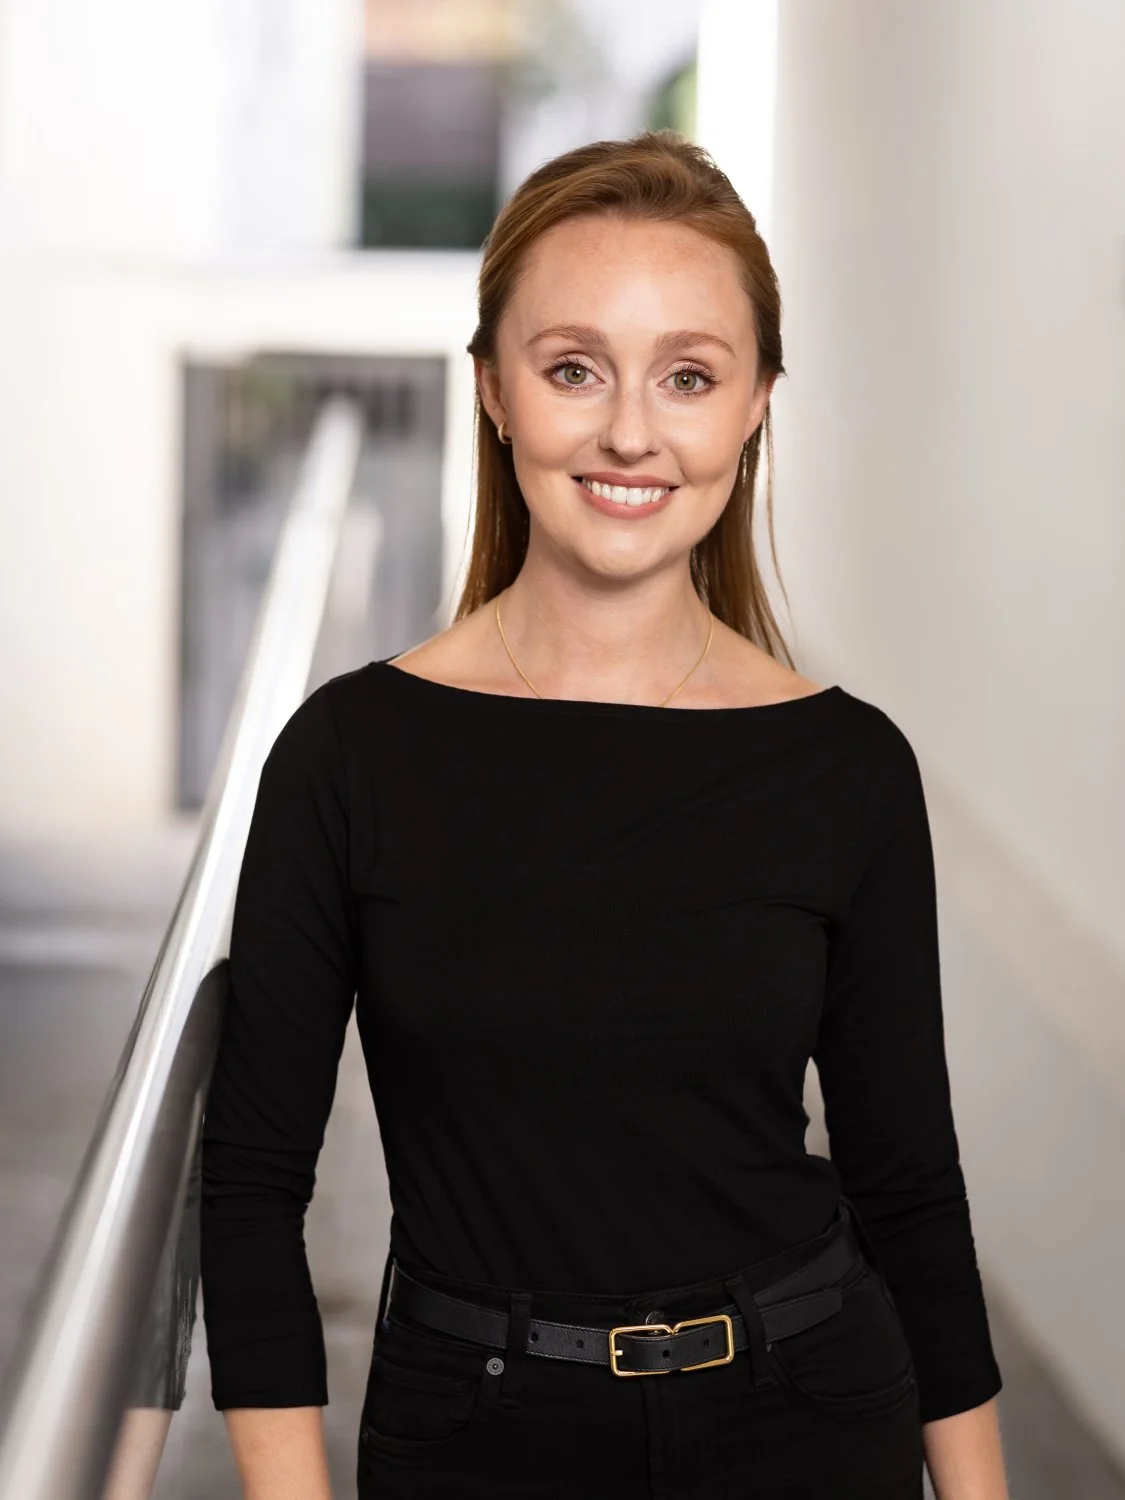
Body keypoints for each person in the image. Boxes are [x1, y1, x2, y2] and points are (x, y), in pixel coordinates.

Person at [199, 130, 1009, 1499]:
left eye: (689, 376)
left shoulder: (847, 768)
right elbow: (251, 1191)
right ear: (494, 392)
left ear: (754, 405)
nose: (632, 431)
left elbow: (909, 1188)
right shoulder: (349, 756)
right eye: (574, 368)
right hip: (477, 1434)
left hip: (810, 1416)